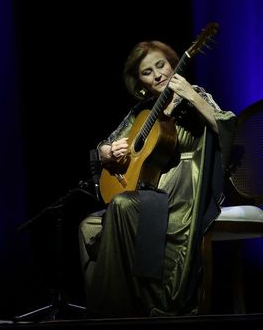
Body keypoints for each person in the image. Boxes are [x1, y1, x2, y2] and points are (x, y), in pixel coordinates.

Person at [78, 40, 236, 318]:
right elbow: (109, 144)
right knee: (88, 227)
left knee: (123, 207)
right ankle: (113, 307)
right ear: (140, 83)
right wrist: (107, 151)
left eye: (160, 65)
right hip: (148, 194)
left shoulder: (195, 95)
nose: (158, 74)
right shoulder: (144, 111)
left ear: (174, 63)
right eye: (147, 72)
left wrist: (192, 95)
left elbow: (229, 131)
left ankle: (112, 313)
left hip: (183, 195)